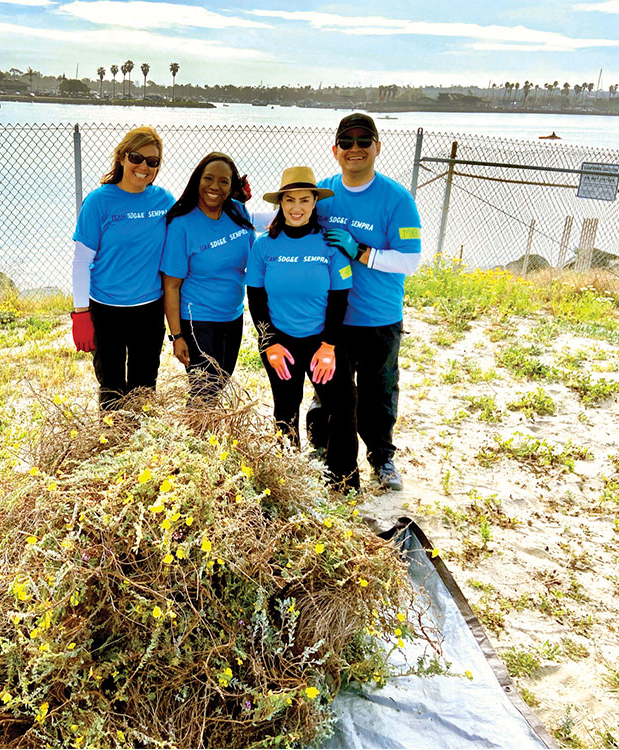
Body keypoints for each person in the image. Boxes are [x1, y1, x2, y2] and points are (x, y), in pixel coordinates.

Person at [317, 113, 422, 491]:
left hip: (379, 316)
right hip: (333, 316)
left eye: (364, 141)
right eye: (347, 142)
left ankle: (382, 457)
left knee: (379, 392)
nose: (355, 149)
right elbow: (287, 216)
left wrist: (361, 252)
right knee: (330, 390)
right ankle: (322, 450)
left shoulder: (396, 199)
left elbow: (410, 260)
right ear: (335, 150)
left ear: (378, 147)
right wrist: (237, 203)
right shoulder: (324, 192)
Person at [245, 166, 359, 490]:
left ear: (314, 203)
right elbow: (256, 300)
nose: (297, 207)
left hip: (322, 341)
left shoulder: (329, 246)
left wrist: (328, 347)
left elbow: (340, 300)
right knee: (285, 408)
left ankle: (343, 482)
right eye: (290, 200)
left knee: (341, 407)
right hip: (280, 343)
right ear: (280, 203)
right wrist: (269, 344)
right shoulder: (264, 246)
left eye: (305, 200)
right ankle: (288, 479)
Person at [70, 126, 174, 410]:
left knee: (144, 386)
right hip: (106, 310)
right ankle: (112, 443)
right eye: (136, 158)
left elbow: (196, 219)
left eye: (152, 162)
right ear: (122, 157)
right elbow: (81, 261)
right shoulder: (98, 202)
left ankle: (140, 447)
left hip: (149, 309)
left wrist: (234, 202)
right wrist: (81, 314)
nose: (143, 167)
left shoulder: (163, 201)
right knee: (112, 388)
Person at [160, 152, 254, 402]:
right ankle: (197, 438)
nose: (215, 186)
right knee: (204, 391)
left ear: (232, 186)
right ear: (197, 181)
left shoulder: (239, 212)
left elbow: (255, 259)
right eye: (209, 178)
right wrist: (177, 336)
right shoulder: (182, 224)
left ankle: (201, 436)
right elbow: (171, 285)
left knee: (221, 380)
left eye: (224, 181)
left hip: (232, 316)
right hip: (197, 320)